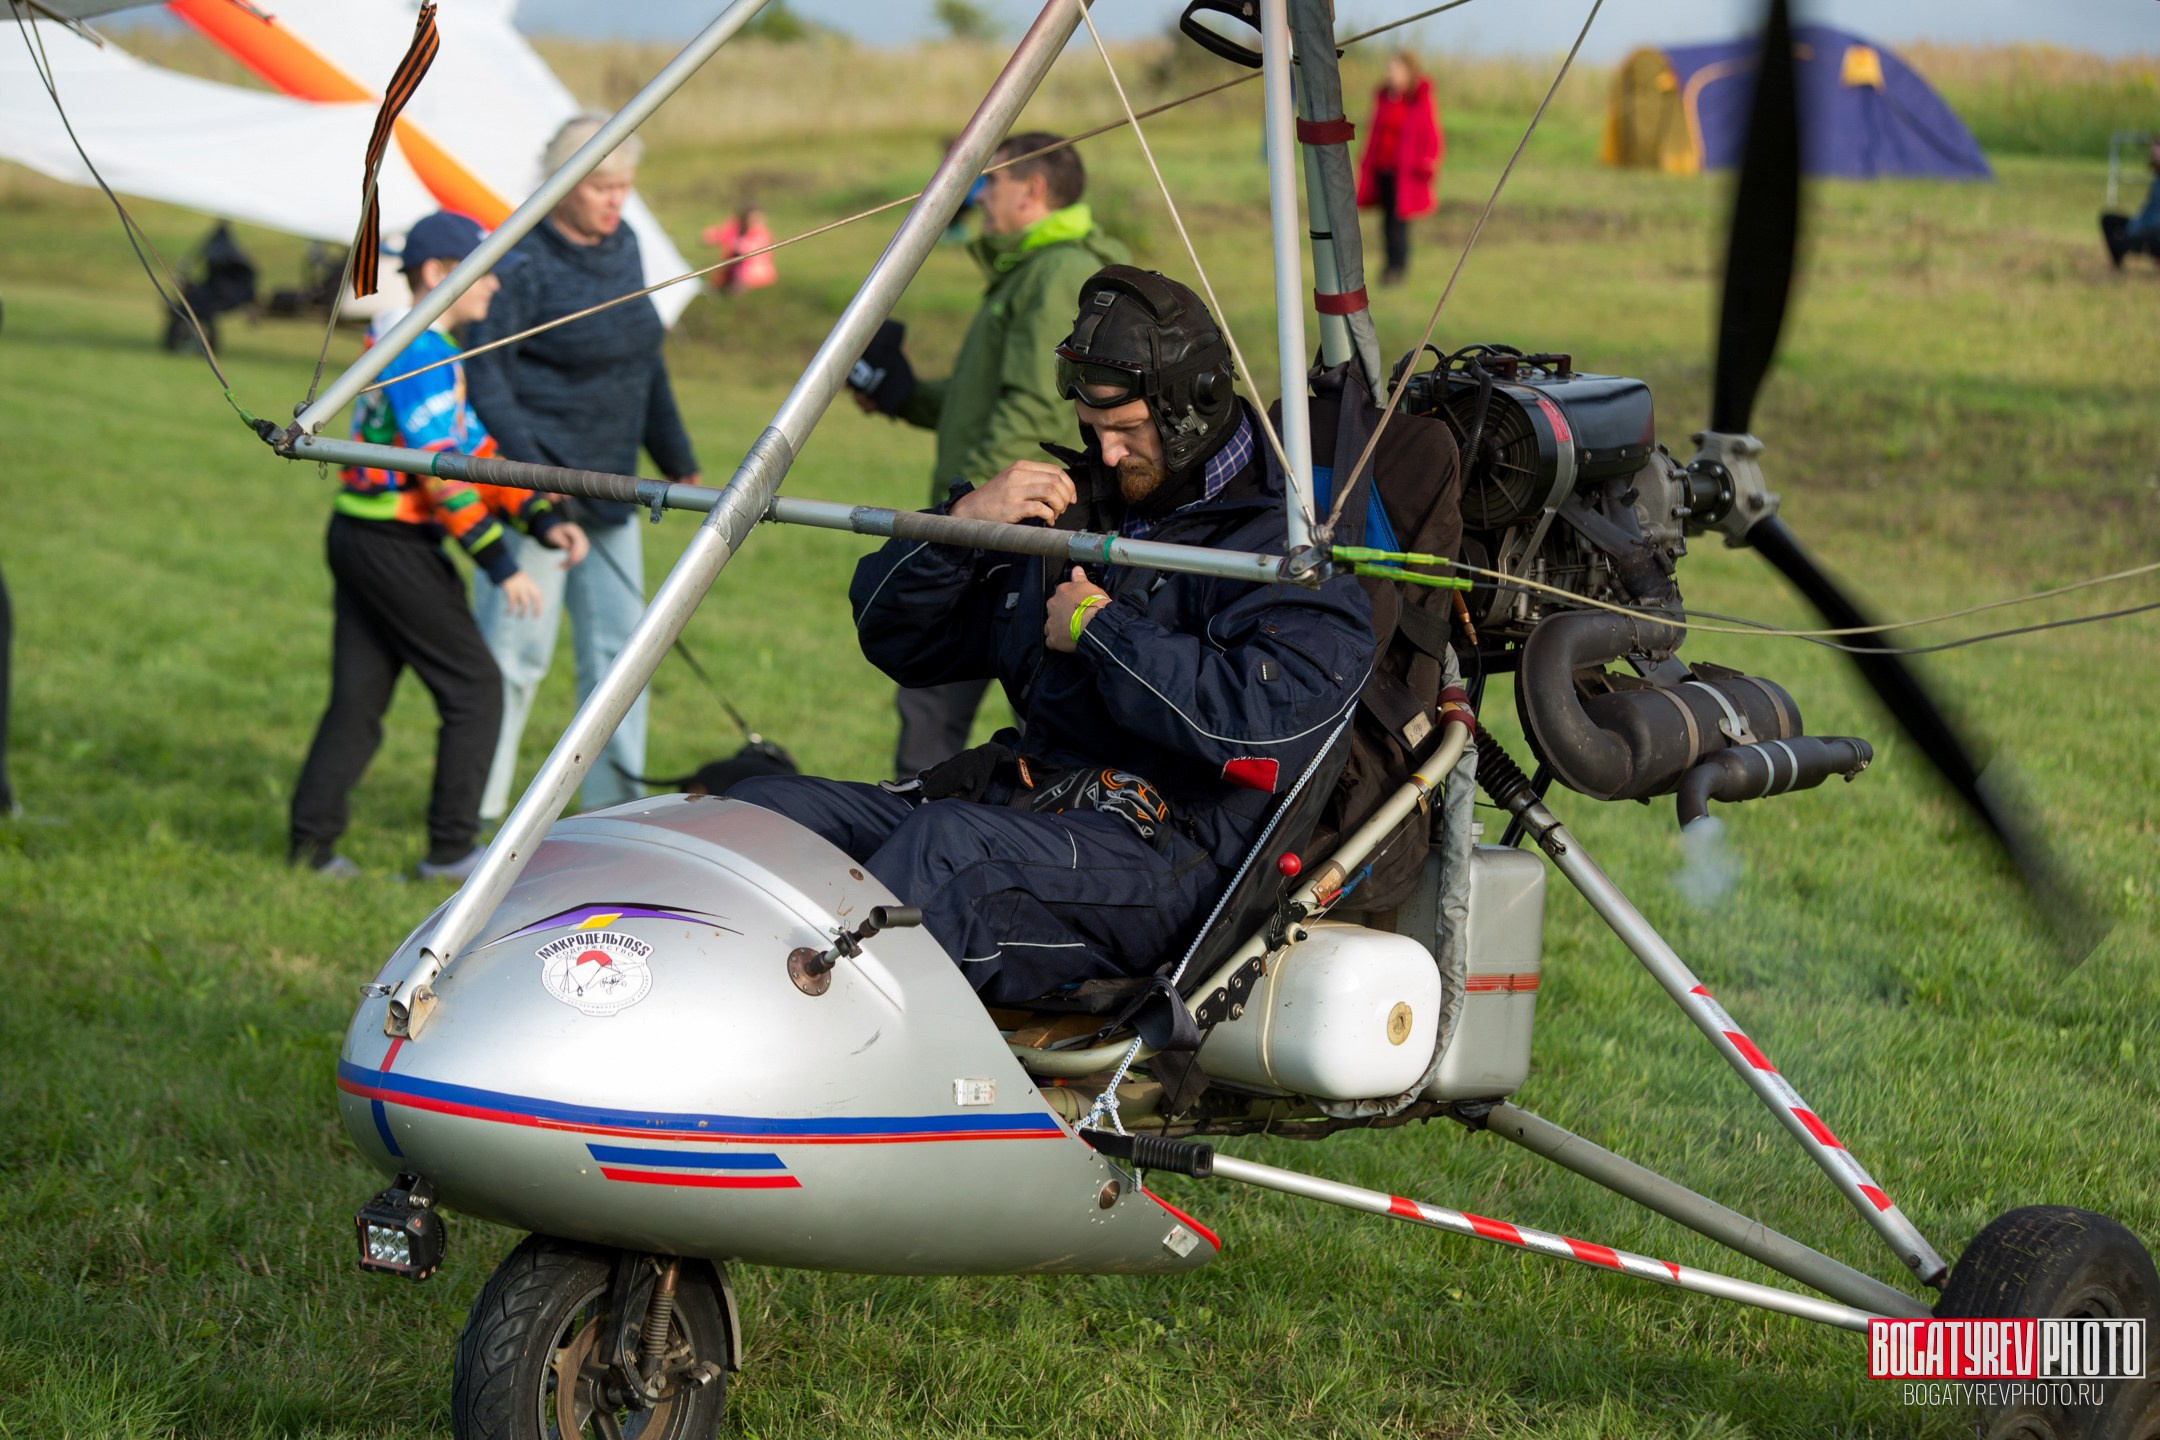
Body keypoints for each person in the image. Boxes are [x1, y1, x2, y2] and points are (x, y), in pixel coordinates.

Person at [736, 266, 1373, 1004]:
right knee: (763, 815)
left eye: (1127, 431)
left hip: (1173, 859)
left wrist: (1102, 631)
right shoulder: (1073, 513)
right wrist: (963, 526)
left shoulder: (1288, 551)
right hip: (1033, 803)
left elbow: (1261, 732)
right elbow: (897, 640)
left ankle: (804, 1046)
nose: (1108, 454)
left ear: (1195, 407)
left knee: (947, 855)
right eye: (1094, 430)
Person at [289, 212, 589, 880]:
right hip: (394, 546)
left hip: (359, 534)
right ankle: (451, 852)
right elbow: (442, 473)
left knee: (358, 700)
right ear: (437, 274)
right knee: (475, 690)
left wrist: (541, 519)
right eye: (484, 275)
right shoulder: (420, 353)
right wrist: (500, 563)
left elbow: (476, 451)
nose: (494, 288)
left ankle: (311, 847)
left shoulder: (415, 345)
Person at [848, 130, 1128, 781]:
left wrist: (968, 516)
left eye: (992, 180)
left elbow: (1031, 410)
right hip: (1002, 520)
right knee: (940, 701)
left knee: (949, 703)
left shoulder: (1057, 272)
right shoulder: (1029, 269)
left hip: (1009, 530)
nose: (980, 195)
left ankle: (921, 816)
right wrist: (901, 394)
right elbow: (983, 399)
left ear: (1033, 190)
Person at [464, 114, 700, 822]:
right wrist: (537, 480)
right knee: (517, 652)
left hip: (613, 486)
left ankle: (612, 810)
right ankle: (471, 813)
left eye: (624, 187)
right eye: (601, 187)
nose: (615, 201)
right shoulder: (520, 258)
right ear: (564, 184)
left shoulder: (624, 246)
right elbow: (487, 379)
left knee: (624, 654)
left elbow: (643, 358)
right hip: (536, 495)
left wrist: (676, 455)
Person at [1355, 51, 1444, 286]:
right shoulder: (1385, 97)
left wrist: (1427, 160)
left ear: (1408, 72)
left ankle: (1398, 269)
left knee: (1398, 221)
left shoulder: (1417, 98)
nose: (1390, 73)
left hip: (1404, 172)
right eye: (1390, 68)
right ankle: (1389, 266)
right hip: (1383, 168)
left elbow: (1430, 132)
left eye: (1395, 68)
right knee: (1386, 221)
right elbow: (1375, 131)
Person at [2101, 139, 2160, 269]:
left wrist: (2135, 230)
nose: (2152, 157)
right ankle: (2117, 264)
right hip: (2142, 225)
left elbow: (2155, 221)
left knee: (2119, 243)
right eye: (2152, 153)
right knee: (2108, 219)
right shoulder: (2157, 180)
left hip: (2153, 234)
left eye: (2156, 153)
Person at [701, 206, 777, 293]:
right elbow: (720, 235)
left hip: (752, 271)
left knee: (737, 283)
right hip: (731, 267)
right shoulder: (736, 229)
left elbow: (757, 251)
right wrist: (710, 237)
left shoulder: (761, 234)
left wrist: (740, 246)